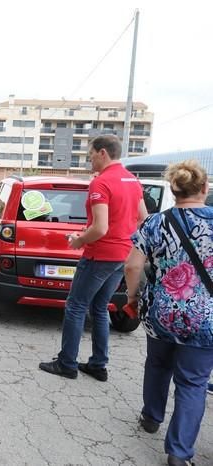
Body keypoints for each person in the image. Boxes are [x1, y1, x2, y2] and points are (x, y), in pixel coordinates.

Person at [124, 160, 213, 466]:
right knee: (193, 382)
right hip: (206, 318)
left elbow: (133, 265)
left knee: (158, 364)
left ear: (174, 190)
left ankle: (151, 416)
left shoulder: (153, 223)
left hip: (161, 313)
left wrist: (133, 297)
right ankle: (178, 453)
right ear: (204, 188)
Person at [39, 134, 147, 380]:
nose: (90, 161)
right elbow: (142, 217)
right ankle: (98, 364)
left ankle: (67, 363)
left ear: (102, 153)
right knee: (99, 308)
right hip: (122, 254)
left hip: (100, 254)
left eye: (90, 156)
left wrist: (78, 240)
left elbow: (100, 228)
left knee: (75, 306)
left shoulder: (101, 183)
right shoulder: (132, 180)